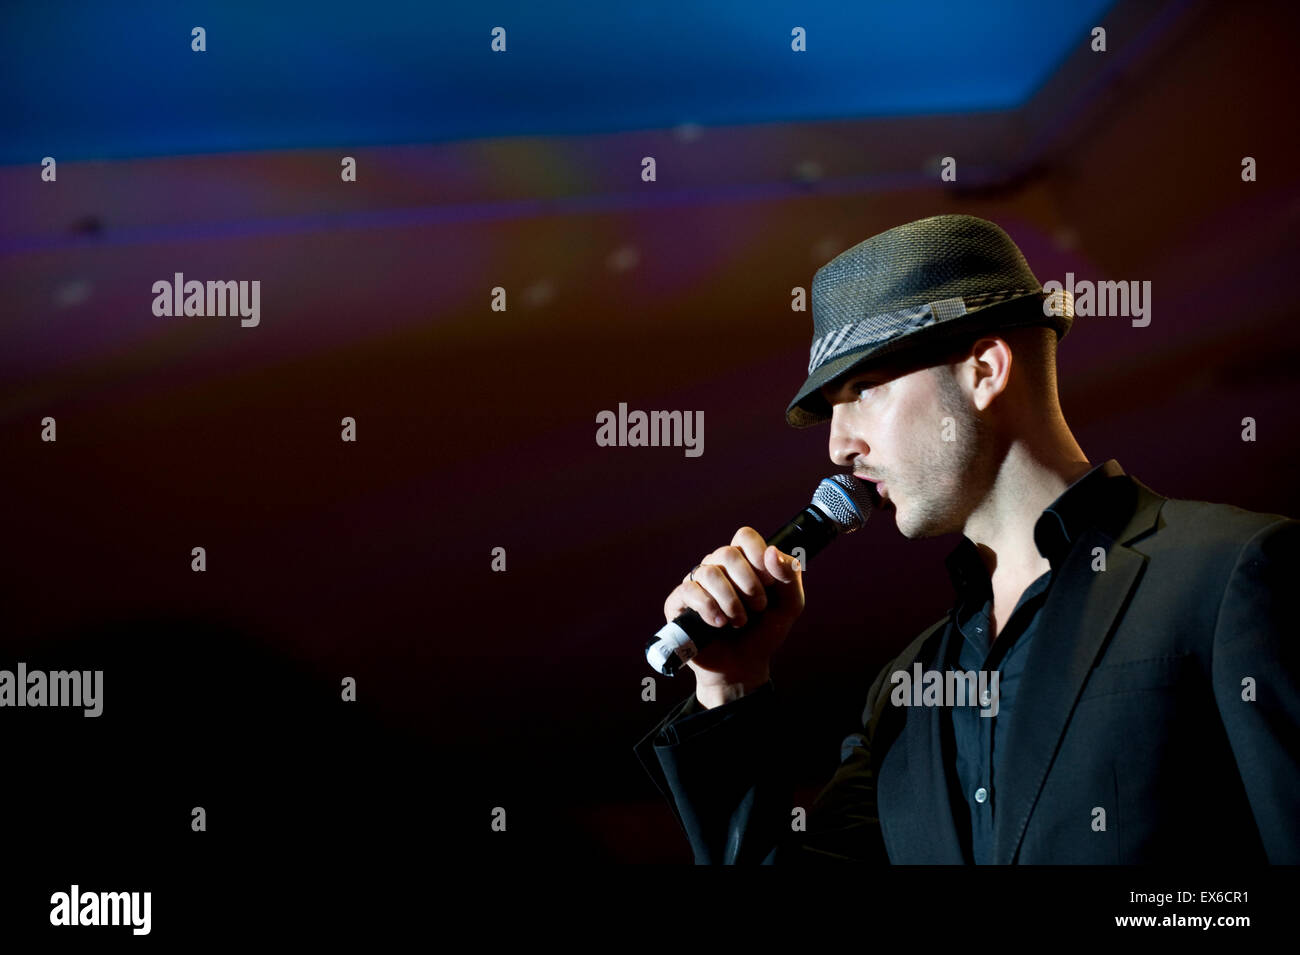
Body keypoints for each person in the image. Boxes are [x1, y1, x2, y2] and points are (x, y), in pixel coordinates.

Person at [633, 214, 1300, 864]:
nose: (838, 445)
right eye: (831, 409)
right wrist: (732, 686)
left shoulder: (1233, 577)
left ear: (985, 370)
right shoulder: (904, 691)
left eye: (864, 387)